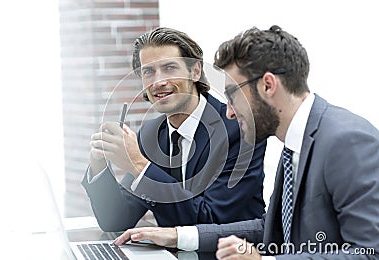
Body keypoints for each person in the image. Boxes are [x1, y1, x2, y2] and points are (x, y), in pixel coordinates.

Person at [114, 25, 379, 259]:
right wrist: (177, 236)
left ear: (267, 85)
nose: (228, 111)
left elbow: (370, 252)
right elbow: (270, 229)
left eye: (232, 95)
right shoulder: (295, 143)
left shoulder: (346, 141)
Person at [82, 27, 267, 243]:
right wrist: (99, 165)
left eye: (169, 68)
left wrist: (140, 166)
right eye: (148, 72)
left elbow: (210, 220)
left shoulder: (239, 130)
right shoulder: (151, 134)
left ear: (195, 71)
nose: (158, 82)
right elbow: (116, 220)